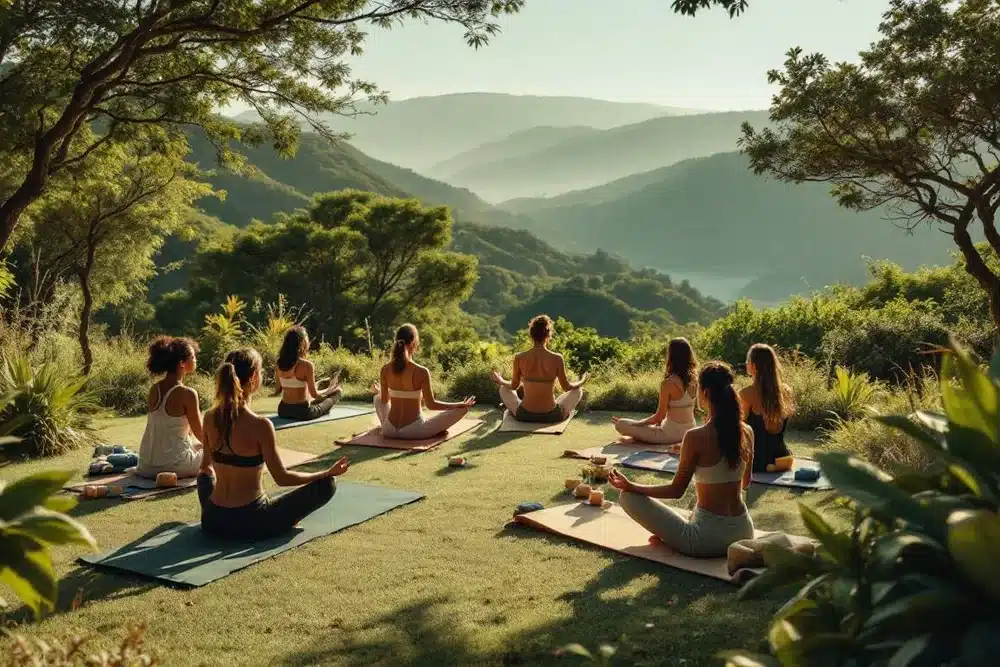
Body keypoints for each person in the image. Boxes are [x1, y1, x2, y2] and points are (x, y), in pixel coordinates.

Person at [199, 348, 350, 541]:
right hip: (251, 521)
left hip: (212, 519)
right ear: (254, 377)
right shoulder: (260, 425)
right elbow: (282, 478)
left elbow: (205, 468)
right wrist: (325, 473)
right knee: (327, 485)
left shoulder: (209, 417)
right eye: (261, 372)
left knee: (204, 478)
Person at [608, 361, 755, 558]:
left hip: (706, 541)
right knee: (693, 506)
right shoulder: (747, 432)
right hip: (744, 532)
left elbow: (676, 491)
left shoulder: (695, 437)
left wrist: (632, 486)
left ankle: (670, 535)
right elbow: (744, 483)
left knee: (628, 498)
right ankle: (674, 531)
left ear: (703, 393)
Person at [371, 324, 475, 439]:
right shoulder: (421, 371)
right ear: (414, 343)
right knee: (462, 410)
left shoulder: (385, 369)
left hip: (388, 430)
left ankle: (386, 427)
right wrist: (459, 404)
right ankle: (443, 423)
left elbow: (385, 400)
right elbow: (431, 405)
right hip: (414, 431)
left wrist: (384, 392)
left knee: (378, 398)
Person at [490, 315, 587, 423]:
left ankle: (513, 412)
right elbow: (567, 387)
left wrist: (501, 380)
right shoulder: (557, 358)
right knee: (578, 389)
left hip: (524, 415)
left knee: (503, 388)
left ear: (531, 334)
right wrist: (582, 380)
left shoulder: (519, 357)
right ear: (548, 335)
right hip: (552, 416)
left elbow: (513, 386)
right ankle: (561, 412)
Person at [137, 336, 204, 479]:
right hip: (175, 466)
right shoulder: (188, 393)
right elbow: (201, 434)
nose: (195, 359)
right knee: (217, 452)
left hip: (145, 466)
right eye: (192, 357)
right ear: (182, 363)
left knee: (197, 446)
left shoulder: (154, 389)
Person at [611, 337, 698, 445]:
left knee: (621, 424)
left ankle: (637, 434)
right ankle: (642, 434)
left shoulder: (667, 383)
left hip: (669, 435)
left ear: (671, 357)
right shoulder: (695, 380)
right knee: (642, 425)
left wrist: (638, 423)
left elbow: (659, 416)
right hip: (689, 432)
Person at [738, 344, 796, 472]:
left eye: (747, 361)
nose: (746, 364)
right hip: (782, 457)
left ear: (753, 366)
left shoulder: (746, 393)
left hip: (756, 461)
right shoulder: (786, 391)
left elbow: (737, 428)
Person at [274, 326, 343, 422]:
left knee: (315, 391)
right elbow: (314, 394)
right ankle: (328, 402)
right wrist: (330, 389)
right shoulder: (307, 365)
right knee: (338, 392)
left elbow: (278, 389)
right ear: (302, 343)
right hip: (302, 412)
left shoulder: (278, 363)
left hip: (283, 410)